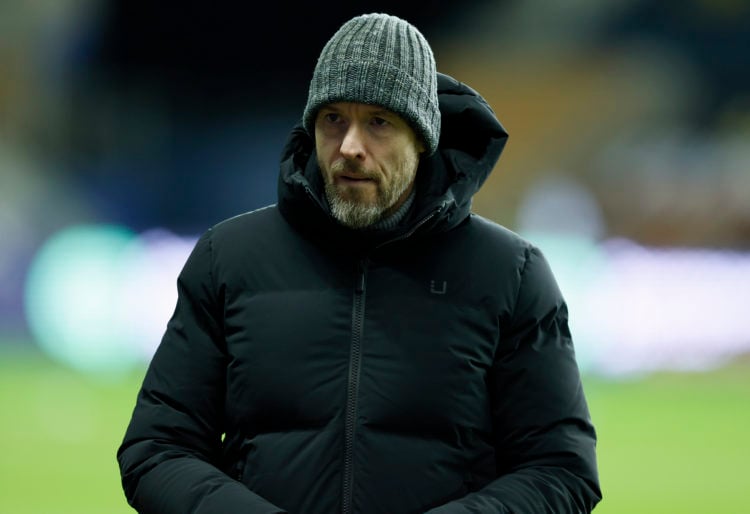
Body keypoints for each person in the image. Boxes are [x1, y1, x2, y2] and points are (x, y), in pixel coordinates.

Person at [117, 12, 601, 514]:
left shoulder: (511, 275)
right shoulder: (228, 259)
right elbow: (156, 450)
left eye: (378, 122)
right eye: (334, 120)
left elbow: (561, 471)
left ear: (421, 137)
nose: (350, 147)